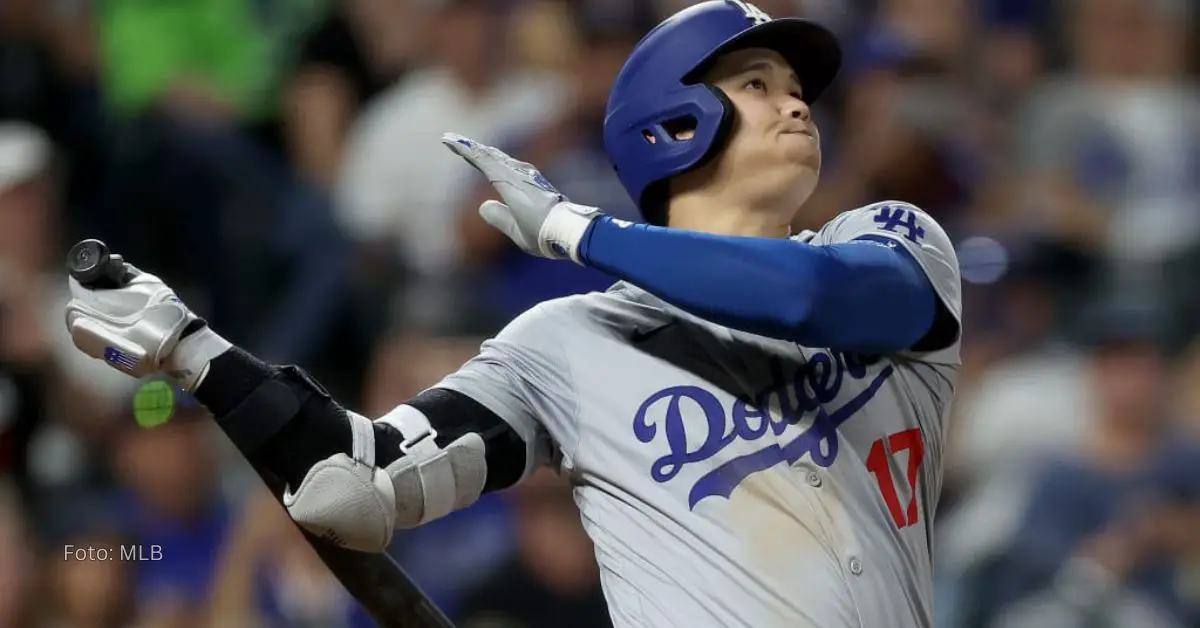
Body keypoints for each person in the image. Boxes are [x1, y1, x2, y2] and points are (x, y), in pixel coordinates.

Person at [62, 2, 962, 627]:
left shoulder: (892, 239)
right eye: (756, 82)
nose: (796, 99)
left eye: (793, 84)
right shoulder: (566, 345)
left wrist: (575, 227)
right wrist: (195, 353)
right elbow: (355, 483)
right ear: (671, 124)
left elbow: (810, 297)